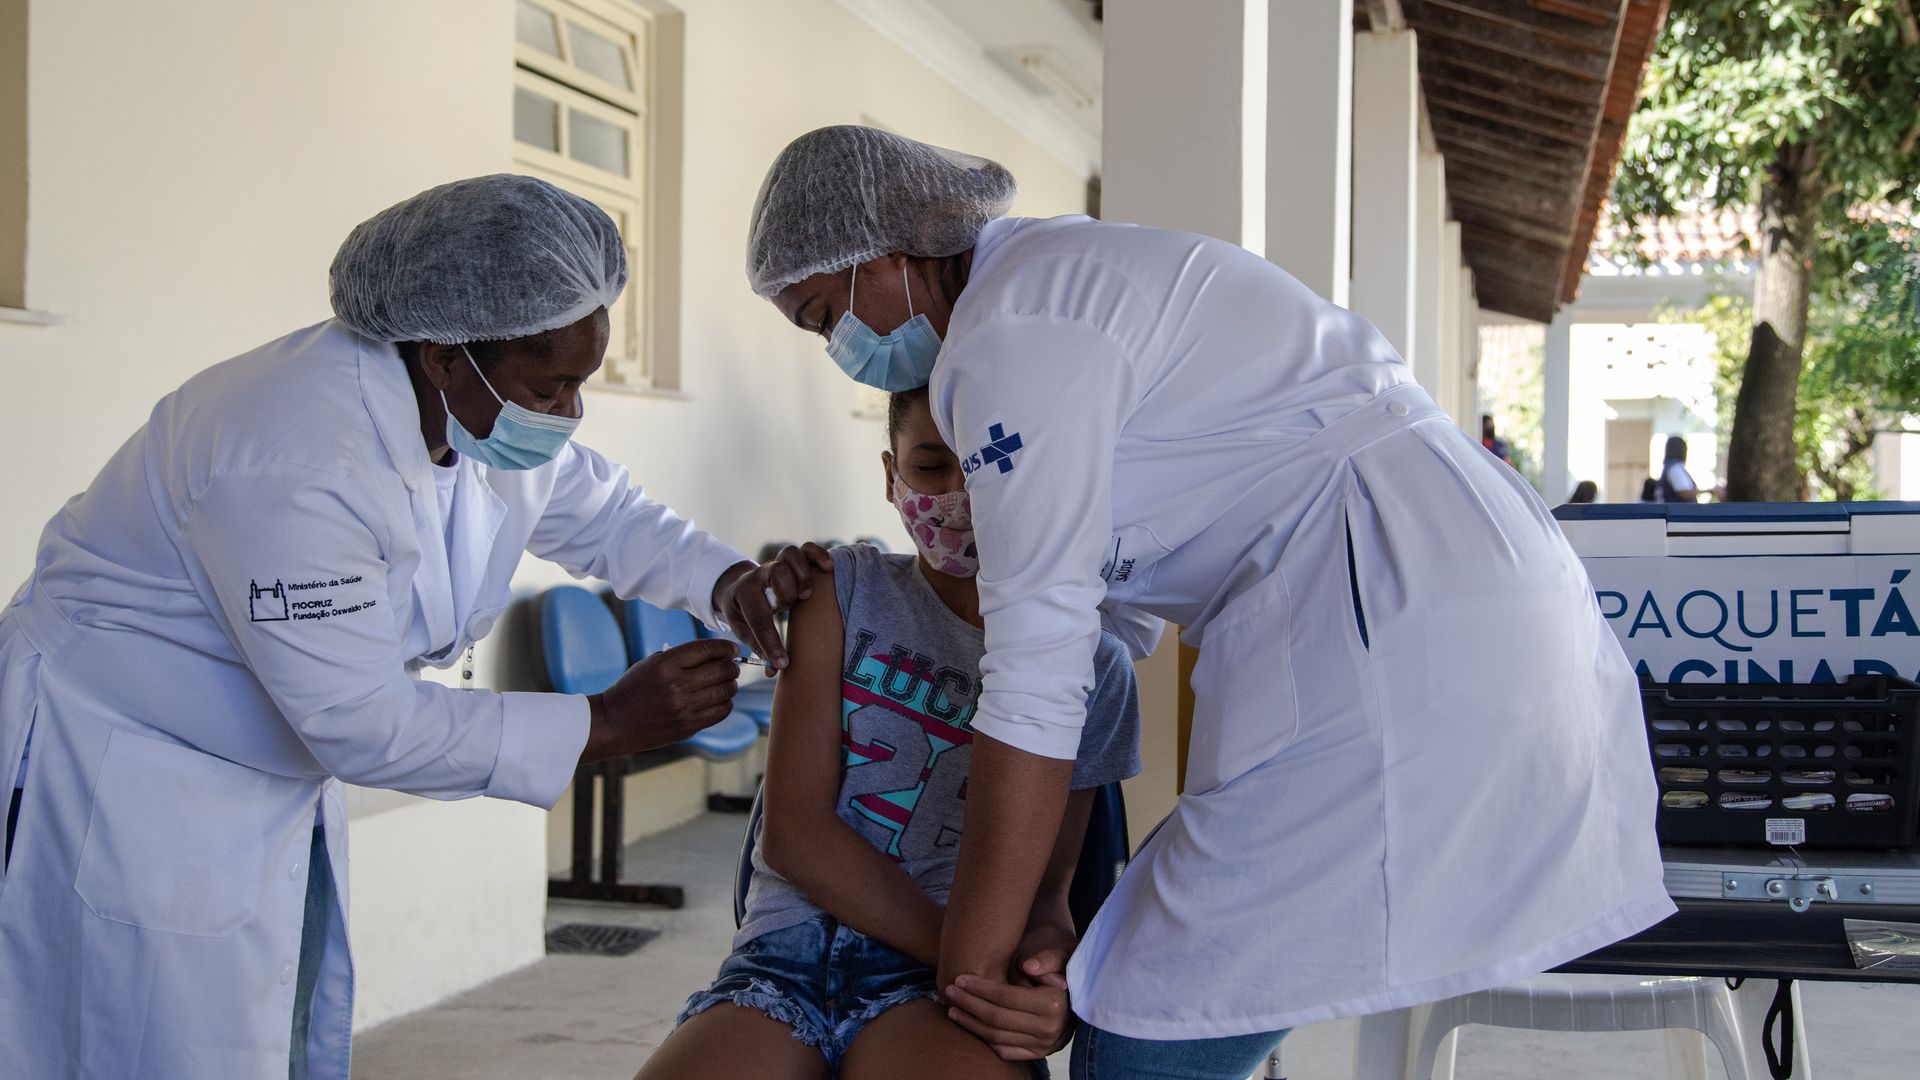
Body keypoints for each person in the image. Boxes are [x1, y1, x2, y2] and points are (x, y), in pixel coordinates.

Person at [744, 126, 1672, 1079]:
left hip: (1390, 613)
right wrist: (1027, 933)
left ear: (888, 255)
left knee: (1150, 1023)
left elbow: (1040, 673)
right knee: (1151, 989)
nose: (839, 350)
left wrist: (974, 981)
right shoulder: (1050, 288)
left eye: (825, 317)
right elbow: (1116, 602)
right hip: (1442, 586)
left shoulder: (1010, 333)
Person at [0, 174, 830, 1079]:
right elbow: (362, 722)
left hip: (256, 769)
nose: (569, 412)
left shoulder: (477, 409)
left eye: (581, 383)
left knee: (262, 1027)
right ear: (443, 354)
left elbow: (600, 509)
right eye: (552, 387)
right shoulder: (292, 456)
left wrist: (727, 579)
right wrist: (606, 723)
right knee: (138, 1043)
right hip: (130, 772)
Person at [636, 388, 1141, 1080]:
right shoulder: (841, 590)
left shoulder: (1098, 667)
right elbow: (795, 835)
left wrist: (1046, 980)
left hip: (937, 989)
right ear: (890, 476)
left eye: (988, 470)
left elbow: (1048, 888)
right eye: (931, 467)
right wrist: (970, 953)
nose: (960, 497)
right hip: (785, 962)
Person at [1656, 436, 1701, 503]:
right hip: (1678, 511)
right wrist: (1709, 491)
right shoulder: (1675, 468)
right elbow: (1683, 492)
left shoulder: (1669, 467)